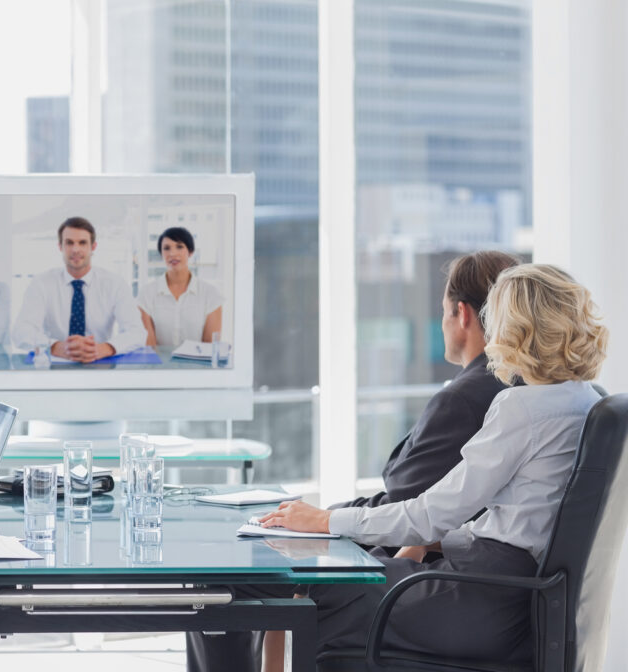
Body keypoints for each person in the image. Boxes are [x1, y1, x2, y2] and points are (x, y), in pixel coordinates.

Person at [186, 249, 521, 671]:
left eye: (442, 312)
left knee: (230, 576)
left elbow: (407, 509)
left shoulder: (467, 398)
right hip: (458, 570)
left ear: (461, 313)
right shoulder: (523, 392)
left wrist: (323, 519)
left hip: (430, 573)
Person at [258, 263, 607, 665]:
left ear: (517, 329)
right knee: (348, 580)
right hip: (514, 595)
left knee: (322, 584)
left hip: (478, 600)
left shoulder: (523, 407)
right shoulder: (588, 401)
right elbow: (521, 518)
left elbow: (431, 512)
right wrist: (431, 542)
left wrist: (325, 521)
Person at [12, 216, 146, 363]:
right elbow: (21, 331)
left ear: (93, 247)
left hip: (100, 364)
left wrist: (105, 348)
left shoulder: (115, 284)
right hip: (54, 366)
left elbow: (137, 332)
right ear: (60, 247)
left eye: (82, 243)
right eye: (69, 243)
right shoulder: (41, 283)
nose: (76, 249)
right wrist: (55, 346)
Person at [138, 226, 223, 346]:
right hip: (159, 364)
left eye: (179, 247)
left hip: (198, 364)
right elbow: (149, 347)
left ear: (191, 251)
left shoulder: (210, 293)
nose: (172, 253)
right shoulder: (147, 293)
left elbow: (210, 346)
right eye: (166, 248)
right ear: (161, 254)